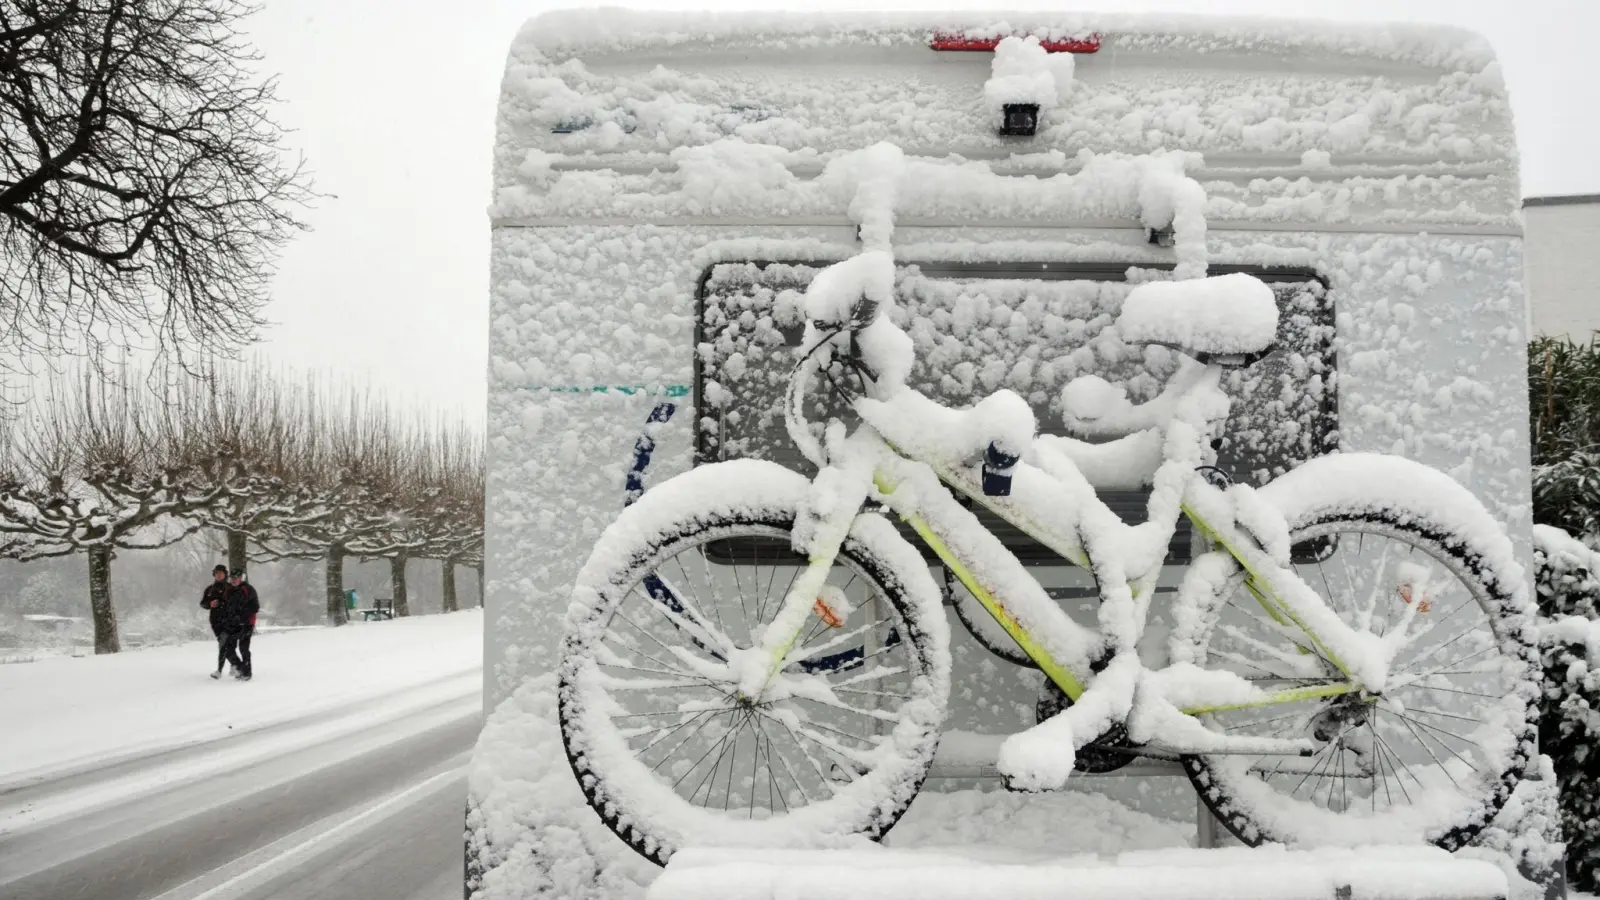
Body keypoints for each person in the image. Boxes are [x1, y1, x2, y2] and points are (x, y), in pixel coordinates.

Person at [221, 567, 260, 681]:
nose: (234, 580)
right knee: (227, 648)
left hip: (246, 623)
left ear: (241, 578)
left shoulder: (248, 589)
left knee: (243, 648)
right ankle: (240, 667)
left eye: (237, 578)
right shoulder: (228, 590)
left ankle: (247, 673)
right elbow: (225, 606)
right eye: (232, 578)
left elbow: (255, 607)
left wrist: (242, 615)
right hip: (231, 625)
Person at [201, 564, 231, 678]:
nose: (219, 575)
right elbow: (202, 604)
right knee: (224, 644)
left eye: (221, 573)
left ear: (225, 574)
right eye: (217, 573)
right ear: (214, 575)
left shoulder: (230, 588)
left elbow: (235, 603)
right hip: (215, 622)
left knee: (223, 644)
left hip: (229, 620)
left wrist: (222, 604)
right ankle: (234, 665)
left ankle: (219, 670)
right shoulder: (209, 589)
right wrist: (210, 604)